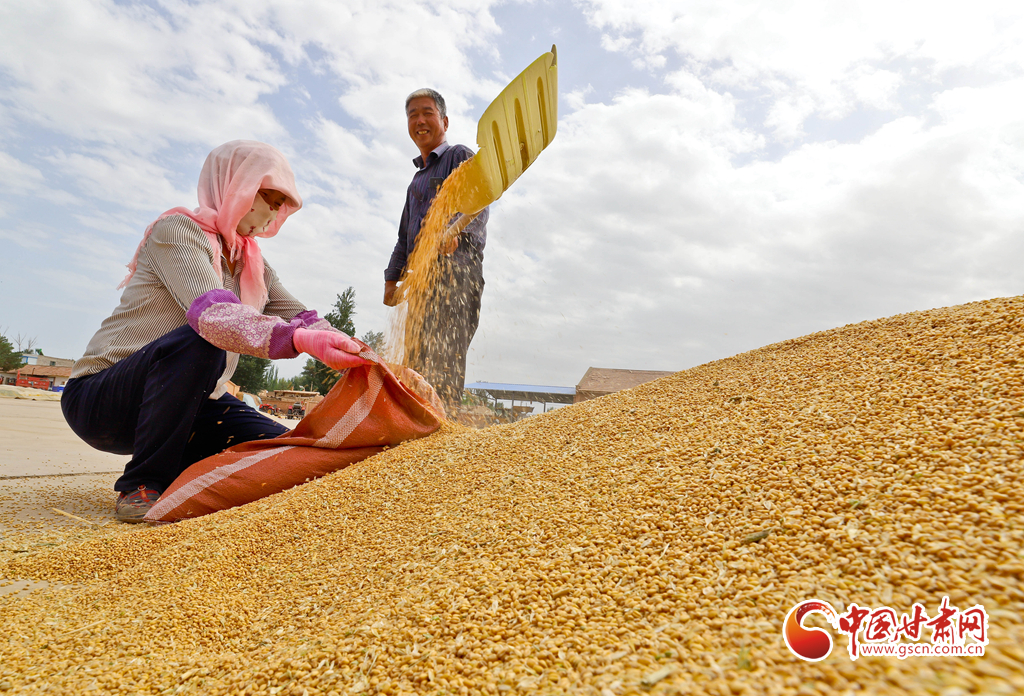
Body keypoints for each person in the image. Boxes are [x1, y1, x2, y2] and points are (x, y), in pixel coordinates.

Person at [62, 140, 369, 523]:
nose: (271, 212)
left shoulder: (252, 263)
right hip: (103, 398)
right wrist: (298, 340)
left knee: (289, 449)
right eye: (266, 197)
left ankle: (182, 469)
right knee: (204, 339)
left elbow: (302, 316)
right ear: (233, 186)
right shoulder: (176, 231)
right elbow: (214, 315)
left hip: (187, 406)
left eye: (279, 204)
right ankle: (142, 483)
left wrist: (358, 352)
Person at [384, 88, 488, 414]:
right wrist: (392, 279)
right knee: (415, 362)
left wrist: (455, 230)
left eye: (427, 112)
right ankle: (414, 433)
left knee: (444, 359)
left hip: (456, 271)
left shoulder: (459, 156)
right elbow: (405, 237)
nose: (419, 120)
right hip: (421, 280)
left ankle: (443, 437)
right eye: (412, 114)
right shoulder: (417, 180)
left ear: (443, 120)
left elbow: (479, 198)